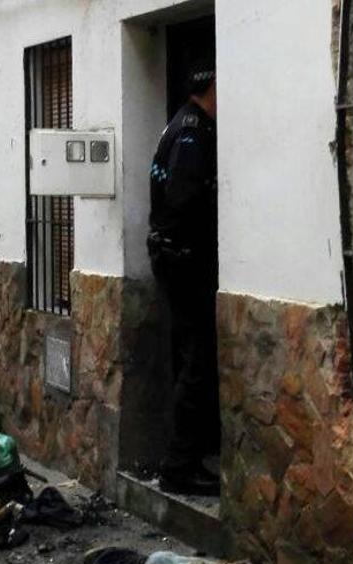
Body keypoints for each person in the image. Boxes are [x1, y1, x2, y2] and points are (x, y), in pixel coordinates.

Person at [148, 62, 220, 497]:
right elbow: (185, 198)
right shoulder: (193, 131)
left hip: (175, 258)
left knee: (189, 360)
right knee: (195, 364)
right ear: (209, 87)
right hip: (185, 260)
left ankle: (184, 460)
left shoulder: (178, 124)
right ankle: (180, 467)